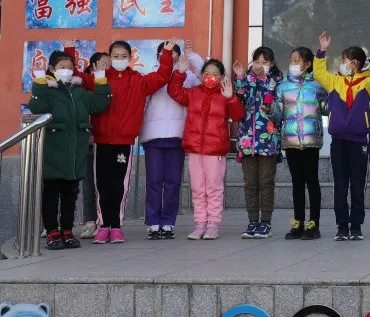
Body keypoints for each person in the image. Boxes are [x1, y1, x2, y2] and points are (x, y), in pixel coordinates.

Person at [69, 39, 175, 244]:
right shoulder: (98, 79)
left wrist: (167, 54)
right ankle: (103, 225)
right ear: (109, 58)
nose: (119, 60)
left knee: (119, 186)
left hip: (124, 142)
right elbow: (77, 78)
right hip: (101, 140)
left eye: (123, 56)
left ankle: (116, 226)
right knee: (102, 185)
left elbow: (162, 77)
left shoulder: (138, 80)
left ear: (130, 58)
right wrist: (69, 51)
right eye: (115, 56)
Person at [29, 51, 111, 250]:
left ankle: (67, 230)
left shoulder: (80, 92)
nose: (65, 71)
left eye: (69, 67)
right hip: (52, 152)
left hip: (74, 153)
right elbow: (36, 106)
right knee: (50, 195)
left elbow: (100, 104)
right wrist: (40, 81)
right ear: (51, 70)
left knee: (70, 195)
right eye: (61, 67)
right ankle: (51, 232)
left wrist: (100, 79)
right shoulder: (48, 92)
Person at [314, 33, 370, 241]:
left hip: (358, 141)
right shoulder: (335, 81)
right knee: (340, 184)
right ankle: (341, 226)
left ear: (354, 63)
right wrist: (322, 51)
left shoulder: (367, 84)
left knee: (357, 184)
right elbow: (319, 74)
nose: (341, 63)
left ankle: (356, 226)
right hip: (339, 141)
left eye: (344, 60)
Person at [170, 59, 242, 240]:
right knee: (197, 188)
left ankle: (213, 225)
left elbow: (238, 115)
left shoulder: (225, 95)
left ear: (221, 77)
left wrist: (231, 97)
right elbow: (175, 92)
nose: (211, 77)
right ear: (202, 75)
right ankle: (200, 224)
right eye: (207, 73)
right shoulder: (194, 93)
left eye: (215, 74)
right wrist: (180, 73)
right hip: (195, 149)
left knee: (213, 188)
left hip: (215, 150)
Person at [141, 42, 203, 240]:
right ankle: (152, 222)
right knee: (154, 181)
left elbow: (206, 76)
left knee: (173, 182)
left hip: (177, 135)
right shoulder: (151, 77)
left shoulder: (189, 77)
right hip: (153, 135)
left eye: (175, 52)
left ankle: (168, 221)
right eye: (166, 52)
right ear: (159, 55)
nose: (171, 56)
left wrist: (192, 56)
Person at [271, 46, 328, 240]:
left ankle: (314, 224)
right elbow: (277, 115)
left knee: (312, 180)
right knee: (296, 182)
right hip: (291, 140)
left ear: (307, 64)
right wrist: (271, 103)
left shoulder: (317, 86)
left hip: (311, 140)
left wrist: (334, 94)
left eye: (297, 60)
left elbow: (327, 109)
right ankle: (298, 223)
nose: (293, 64)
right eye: (292, 60)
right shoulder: (283, 87)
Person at [232, 47, 283, 239]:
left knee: (266, 183)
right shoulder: (246, 80)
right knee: (250, 183)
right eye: (257, 61)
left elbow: (277, 112)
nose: (260, 65)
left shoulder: (277, 82)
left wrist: (263, 80)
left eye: (265, 62)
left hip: (268, 140)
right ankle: (253, 222)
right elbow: (240, 102)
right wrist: (238, 78)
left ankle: (265, 223)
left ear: (272, 64)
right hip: (247, 141)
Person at [77, 50, 108, 240]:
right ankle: (89, 221)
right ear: (94, 66)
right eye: (104, 63)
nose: (109, 66)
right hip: (88, 143)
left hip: (107, 141)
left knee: (105, 184)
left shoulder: (111, 85)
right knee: (88, 183)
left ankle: (105, 221)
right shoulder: (85, 87)